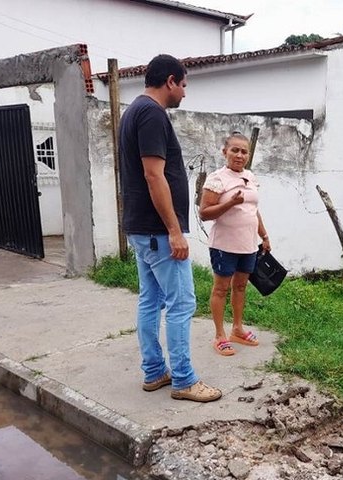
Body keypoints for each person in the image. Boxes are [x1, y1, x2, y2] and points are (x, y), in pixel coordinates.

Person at [119, 54, 221, 402]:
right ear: (171, 81)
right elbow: (153, 175)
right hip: (158, 232)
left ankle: (154, 372)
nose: (185, 93)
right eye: (184, 85)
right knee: (181, 303)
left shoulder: (133, 110)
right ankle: (183, 379)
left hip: (141, 228)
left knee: (151, 300)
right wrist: (175, 231)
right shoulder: (151, 114)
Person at [199, 132, 271, 356]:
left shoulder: (250, 177)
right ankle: (220, 335)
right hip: (224, 246)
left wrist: (264, 236)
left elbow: (252, 210)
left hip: (248, 245)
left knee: (240, 287)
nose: (239, 155)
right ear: (225, 152)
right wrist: (230, 203)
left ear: (248, 155)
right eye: (235, 150)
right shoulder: (217, 179)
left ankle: (237, 329)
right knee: (221, 288)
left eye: (244, 151)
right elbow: (204, 213)